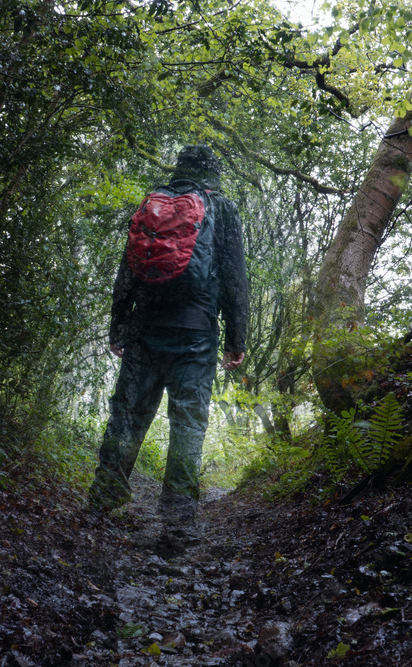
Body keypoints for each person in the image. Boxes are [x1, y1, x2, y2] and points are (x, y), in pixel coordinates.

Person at [88, 145, 249, 527]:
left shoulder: (153, 204)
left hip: (144, 330)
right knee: (188, 423)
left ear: (179, 169)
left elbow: (126, 269)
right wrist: (236, 339)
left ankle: (101, 502)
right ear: (214, 173)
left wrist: (119, 326)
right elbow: (234, 278)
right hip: (195, 336)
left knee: (127, 415)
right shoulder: (221, 207)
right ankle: (177, 518)